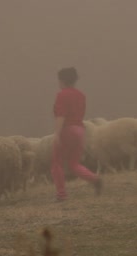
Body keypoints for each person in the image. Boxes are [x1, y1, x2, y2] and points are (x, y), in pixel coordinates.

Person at [51, 67, 102, 201]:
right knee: (74, 163)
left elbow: (61, 115)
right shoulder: (81, 95)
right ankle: (95, 179)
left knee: (57, 163)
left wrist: (57, 133)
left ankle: (61, 194)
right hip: (80, 130)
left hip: (67, 130)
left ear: (62, 80)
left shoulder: (62, 95)